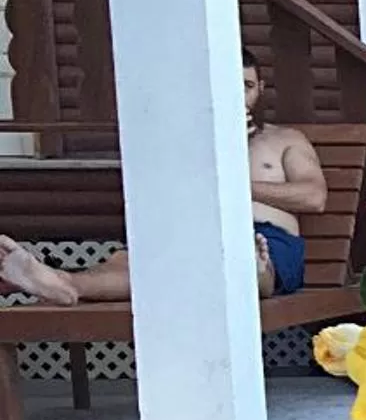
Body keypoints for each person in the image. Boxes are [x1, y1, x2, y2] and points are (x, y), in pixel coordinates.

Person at [0, 63, 326, 305]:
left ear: (260, 88)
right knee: (130, 262)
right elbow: (170, 199)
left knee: (250, 258)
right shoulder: (188, 143)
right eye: (229, 85)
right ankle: (64, 282)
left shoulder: (285, 139)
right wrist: (219, 146)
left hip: (267, 235)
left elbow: (313, 197)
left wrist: (233, 185)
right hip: (196, 235)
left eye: (246, 85)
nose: (238, 95)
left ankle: (253, 269)